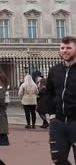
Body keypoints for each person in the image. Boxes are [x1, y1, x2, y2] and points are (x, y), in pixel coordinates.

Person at [45, 36, 76, 164]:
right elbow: (49, 93)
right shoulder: (54, 70)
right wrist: (52, 113)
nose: (65, 50)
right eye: (62, 48)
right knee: (58, 160)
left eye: (69, 48)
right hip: (58, 122)